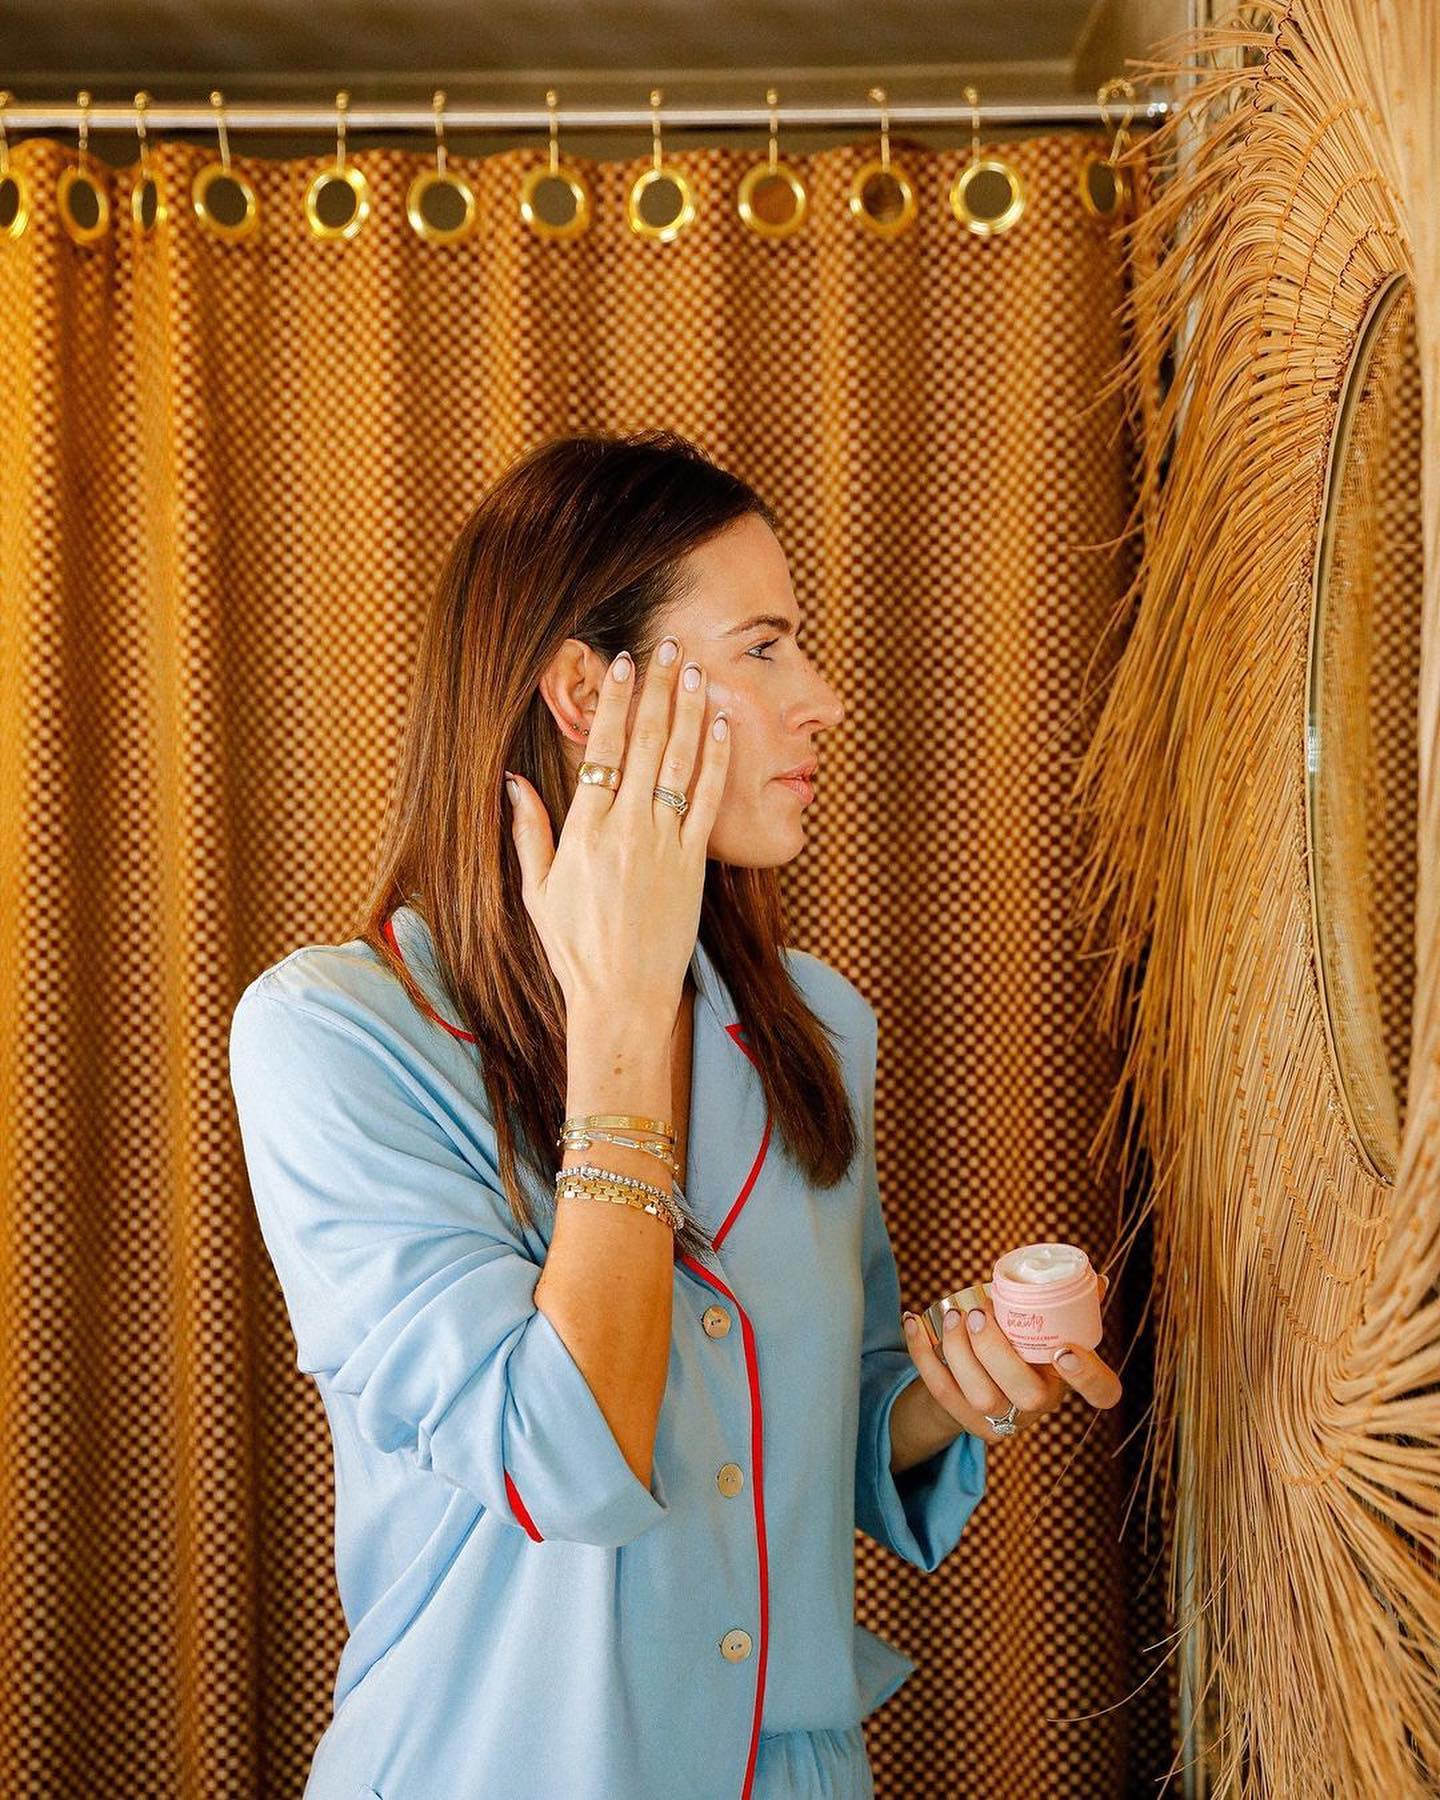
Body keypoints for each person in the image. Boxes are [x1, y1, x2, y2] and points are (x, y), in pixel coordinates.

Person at [228, 429, 1122, 1800]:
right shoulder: (336, 1040)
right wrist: (624, 1012)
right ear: (590, 690)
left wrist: (953, 1383)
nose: (823, 700)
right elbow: (566, 1454)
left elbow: (822, 1431)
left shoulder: (816, 1027)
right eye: (764, 649)